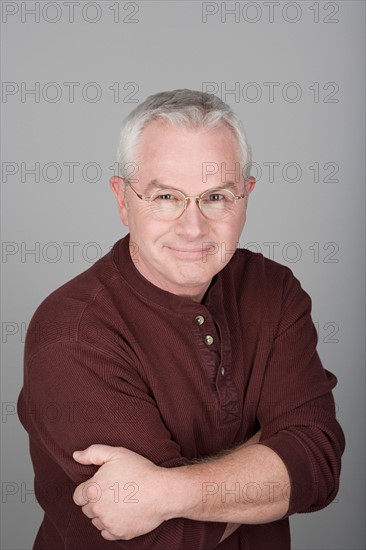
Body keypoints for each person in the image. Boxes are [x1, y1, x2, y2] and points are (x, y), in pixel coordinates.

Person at [18, 89, 345, 549]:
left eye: (216, 196)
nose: (192, 227)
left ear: (246, 197)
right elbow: (164, 540)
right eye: (166, 196)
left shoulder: (274, 290)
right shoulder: (72, 335)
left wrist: (168, 491)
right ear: (122, 199)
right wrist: (269, 454)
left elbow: (317, 465)